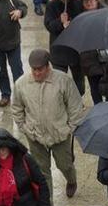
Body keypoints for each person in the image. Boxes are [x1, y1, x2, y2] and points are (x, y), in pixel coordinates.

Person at [11, 49, 85, 198]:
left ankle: (71, 180)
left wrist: (69, 128)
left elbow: (75, 106)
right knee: (41, 170)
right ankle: (48, 200)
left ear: (48, 66)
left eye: (40, 69)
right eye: (34, 70)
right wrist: (24, 127)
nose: (37, 73)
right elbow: (17, 108)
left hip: (60, 135)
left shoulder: (63, 81)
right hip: (35, 136)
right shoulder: (21, 84)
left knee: (65, 165)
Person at [43, 0, 85, 95]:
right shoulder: (51, 6)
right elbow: (49, 26)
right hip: (59, 51)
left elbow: (84, 24)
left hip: (75, 50)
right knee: (59, 84)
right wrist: (60, 22)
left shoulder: (79, 4)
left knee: (79, 84)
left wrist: (72, 24)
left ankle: (77, 100)